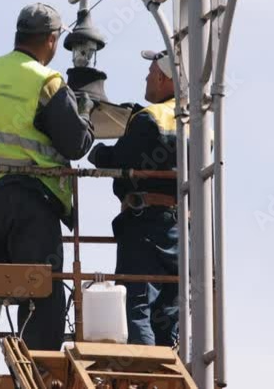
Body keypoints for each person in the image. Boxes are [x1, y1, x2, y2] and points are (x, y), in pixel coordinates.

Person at [0, 3, 95, 373]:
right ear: (51, 40)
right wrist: (85, 112)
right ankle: (38, 373)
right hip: (27, 199)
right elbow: (75, 144)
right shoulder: (45, 81)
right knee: (39, 290)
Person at [87, 49, 179, 346]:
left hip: (144, 224)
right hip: (182, 230)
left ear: (164, 78)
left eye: (151, 73)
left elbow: (118, 159)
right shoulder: (201, 123)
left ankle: (144, 369)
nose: (146, 78)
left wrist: (96, 152)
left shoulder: (150, 117)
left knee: (136, 305)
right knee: (169, 312)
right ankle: (168, 366)